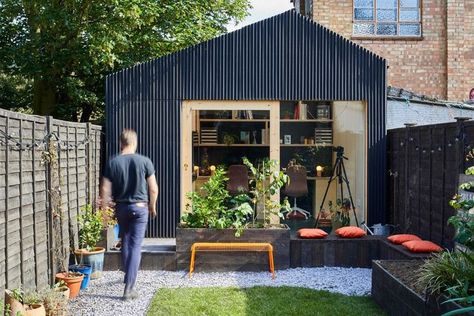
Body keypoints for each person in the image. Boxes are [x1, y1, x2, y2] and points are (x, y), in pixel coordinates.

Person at [100, 129, 158, 300]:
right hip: (140, 208)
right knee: (135, 245)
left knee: (125, 241)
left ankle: (127, 277)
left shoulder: (113, 162)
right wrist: (152, 206)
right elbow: (153, 188)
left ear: (120, 143)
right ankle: (129, 288)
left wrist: (104, 211)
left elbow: (104, 188)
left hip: (122, 208)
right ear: (134, 143)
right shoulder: (145, 161)